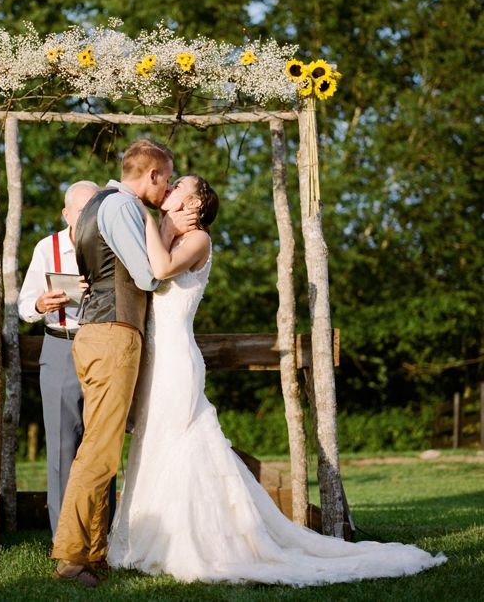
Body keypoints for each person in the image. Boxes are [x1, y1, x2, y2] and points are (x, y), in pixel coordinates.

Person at [107, 174, 447, 586]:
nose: (171, 187)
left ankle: (198, 543)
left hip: (177, 361)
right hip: (154, 360)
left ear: (195, 202)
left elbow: (159, 269)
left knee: (183, 442)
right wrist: (157, 225)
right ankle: (151, 538)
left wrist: (142, 216)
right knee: (152, 441)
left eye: (180, 184)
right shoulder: (167, 232)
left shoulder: (198, 240)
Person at [52, 139, 197, 588]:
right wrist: (166, 234)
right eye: (167, 179)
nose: (168, 187)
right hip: (113, 334)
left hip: (99, 332)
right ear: (151, 174)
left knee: (103, 446)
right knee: (98, 449)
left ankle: (93, 552)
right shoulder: (124, 206)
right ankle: (71, 557)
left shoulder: (98, 204)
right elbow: (148, 274)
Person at [18, 180, 99, 539]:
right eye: (81, 209)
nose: (87, 216)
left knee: (101, 445)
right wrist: (41, 304)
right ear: (66, 213)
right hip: (60, 346)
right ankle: (63, 539)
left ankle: (100, 534)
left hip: (102, 347)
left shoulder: (112, 244)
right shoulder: (46, 247)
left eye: (93, 208)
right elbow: (24, 305)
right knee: (63, 448)